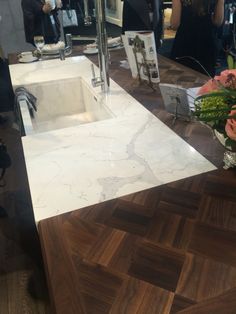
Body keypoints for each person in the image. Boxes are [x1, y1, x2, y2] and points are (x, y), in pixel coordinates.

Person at [170, 0, 225, 77]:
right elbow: (218, 22)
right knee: (205, 82)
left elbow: (174, 24)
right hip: (207, 43)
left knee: (181, 78)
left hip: (184, 43)